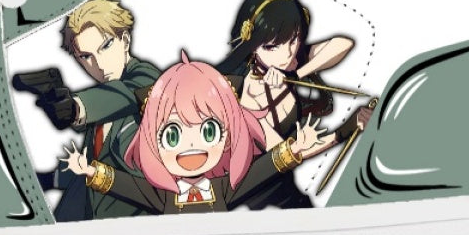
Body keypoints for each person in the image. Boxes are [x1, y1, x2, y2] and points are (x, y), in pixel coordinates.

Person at [61, 53, 328, 214]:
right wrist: (90, 171)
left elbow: (262, 171)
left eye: (209, 131)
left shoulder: (222, 188)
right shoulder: (162, 195)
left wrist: (294, 149)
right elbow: (127, 186)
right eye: (172, 136)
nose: (191, 145)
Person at [216, 0, 373, 209]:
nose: (287, 53)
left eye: (294, 39)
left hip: (289, 192)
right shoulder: (245, 94)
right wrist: (345, 130)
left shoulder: (291, 64)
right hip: (262, 198)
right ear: (251, 46)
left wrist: (295, 74)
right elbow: (288, 151)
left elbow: (343, 44)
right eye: (272, 46)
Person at [18, 0, 161, 221]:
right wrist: (48, 179)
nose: (99, 64)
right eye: (86, 56)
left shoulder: (146, 79)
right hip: (86, 217)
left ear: (124, 40)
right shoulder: (105, 104)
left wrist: (75, 107)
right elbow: (95, 161)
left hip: (132, 219)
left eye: (106, 46)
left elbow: (125, 95)